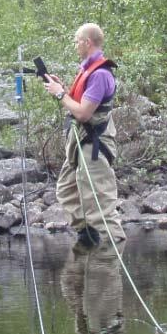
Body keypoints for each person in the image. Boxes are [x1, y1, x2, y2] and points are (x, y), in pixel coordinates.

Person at [45, 23, 126, 247]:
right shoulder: (87, 70)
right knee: (66, 190)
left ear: (87, 42)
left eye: (76, 41)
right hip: (79, 144)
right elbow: (76, 104)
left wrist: (60, 93)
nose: (75, 45)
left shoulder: (100, 74)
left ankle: (111, 249)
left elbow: (82, 113)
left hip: (94, 147)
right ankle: (88, 237)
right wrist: (61, 90)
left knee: (100, 204)